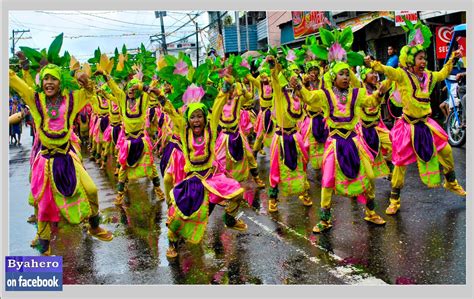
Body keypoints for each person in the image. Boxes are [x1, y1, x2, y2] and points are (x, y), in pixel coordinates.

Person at [10, 61, 113, 255]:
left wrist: (84, 79)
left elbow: (89, 94)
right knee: (44, 208)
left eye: (54, 79)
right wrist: (22, 66)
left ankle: (94, 226)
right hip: (45, 162)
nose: (49, 83)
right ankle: (44, 249)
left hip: (67, 158)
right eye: (46, 78)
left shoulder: (71, 101)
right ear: (42, 82)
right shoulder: (36, 100)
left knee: (91, 189)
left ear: (60, 82)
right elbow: (17, 83)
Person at [366, 20, 466, 216]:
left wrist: (453, 59)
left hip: (426, 124)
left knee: (445, 149)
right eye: (420, 58)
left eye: (425, 58)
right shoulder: (402, 75)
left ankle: (451, 182)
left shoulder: (428, 76)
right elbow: (389, 71)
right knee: (400, 164)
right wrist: (374, 65)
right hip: (407, 127)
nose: (424, 62)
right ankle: (394, 200)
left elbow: (442, 74)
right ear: (410, 61)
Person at [162, 75, 248, 258]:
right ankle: (172, 243)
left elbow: (217, 106)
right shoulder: (184, 133)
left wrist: (225, 86)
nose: (196, 121)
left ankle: (229, 219)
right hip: (193, 181)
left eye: (199, 116)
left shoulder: (211, 127)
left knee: (238, 193)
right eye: (192, 117)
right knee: (180, 217)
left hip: (211, 178)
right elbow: (172, 114)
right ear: (188, 121)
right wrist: (159, 96)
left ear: (204, 118)